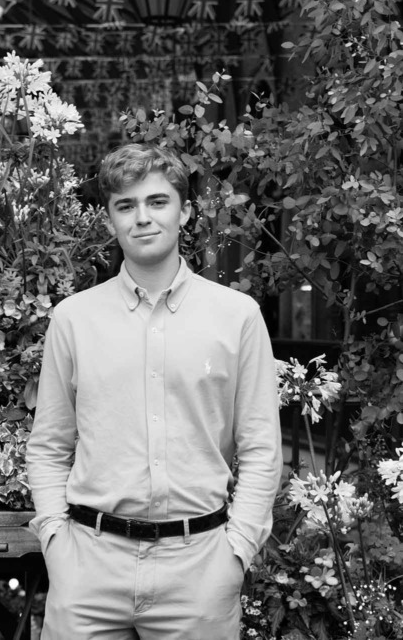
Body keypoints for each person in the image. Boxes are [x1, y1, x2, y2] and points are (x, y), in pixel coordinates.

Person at [25, 143, 282, 639]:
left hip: (200, 569)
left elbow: (261, 447)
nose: (142, 218)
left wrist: (237, 551)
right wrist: (56, 539)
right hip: (89, 567)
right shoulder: (73, 319)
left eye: (157, 202)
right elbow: (49, 444)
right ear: (109, 221)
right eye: (126, 206)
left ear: (185, 211)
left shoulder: (237, 317)